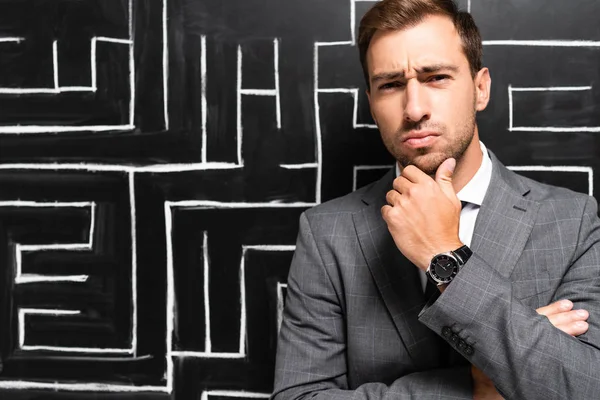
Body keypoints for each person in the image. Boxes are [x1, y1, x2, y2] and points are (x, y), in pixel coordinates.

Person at [271, 0, 600, 399]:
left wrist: (445, 255)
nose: (414, 109)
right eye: (390, 85)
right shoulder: (326, 233)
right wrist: (475, 387)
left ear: (480, 89)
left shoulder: (575, 221)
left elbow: (588, 385)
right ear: (372, 102)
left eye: (436, 77)